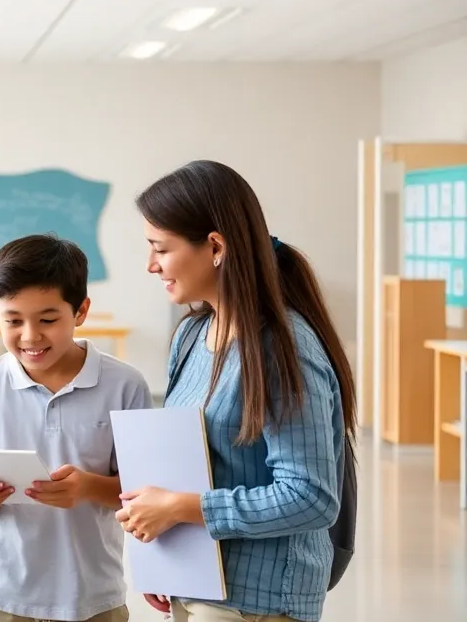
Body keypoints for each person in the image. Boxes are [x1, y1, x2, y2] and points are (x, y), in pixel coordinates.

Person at [119, 160, 357, 622]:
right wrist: (165, 559)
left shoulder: (282, 348)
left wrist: (183, 509)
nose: (150, 265)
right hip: (198, 583)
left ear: (214, 247)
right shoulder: (193, 334)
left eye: (160, 249)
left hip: (258, 600)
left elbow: (311, 496)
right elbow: (190, 462)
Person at [0, 235, 151, 622]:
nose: (30, 336)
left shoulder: (125, 385)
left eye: (48, 320)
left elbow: (143, 495)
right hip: (6, 594)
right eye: (12, 321)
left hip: (94, 596)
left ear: (80, 311)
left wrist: (87, 488)